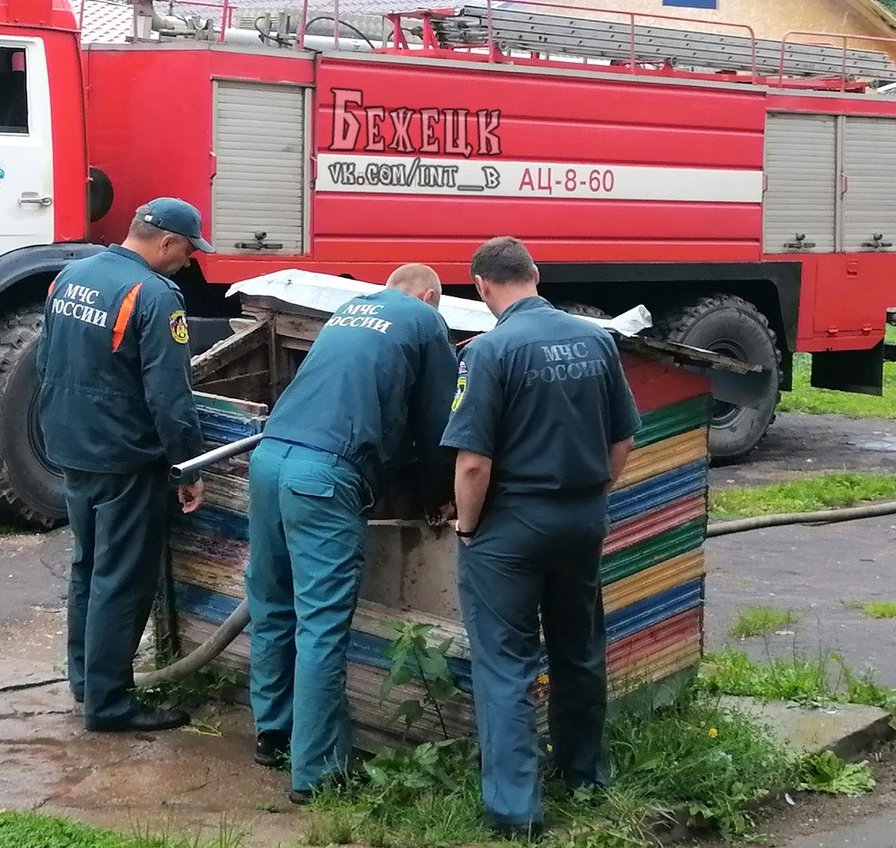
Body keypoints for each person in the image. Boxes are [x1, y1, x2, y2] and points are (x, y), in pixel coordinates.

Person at [441, 236, 640, 839]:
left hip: (511, 527)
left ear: (481, 286)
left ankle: (515, 809)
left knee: (505, 663)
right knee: (579, 647)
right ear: (536, 275)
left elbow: (473, 463)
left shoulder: (488, 352)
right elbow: (624, 438)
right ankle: (583, 772)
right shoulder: (597, 338)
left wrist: (468, 527)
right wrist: (593, 496)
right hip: (582, 517)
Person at [246, 264, 459, 803]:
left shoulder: (347, 312)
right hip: (323, 475)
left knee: (273, 603)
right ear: (430, 295)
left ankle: (273, 736)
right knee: (321, 623)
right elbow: (437, 421)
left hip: (270, 458)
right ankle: (317, 771)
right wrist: (437, 495)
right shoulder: (426, 321)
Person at [37, 197, 214, 733]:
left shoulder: (70, 275)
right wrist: (192, 464)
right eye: (188, 250)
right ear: (165, 242)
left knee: (88, 566)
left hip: (71, 445)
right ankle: (111, 704)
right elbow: (169, 396)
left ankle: (86, 681)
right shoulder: (155, 296)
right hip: (125, 457)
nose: (189, 262)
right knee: (122, 577)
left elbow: (45, 359)